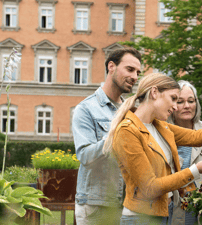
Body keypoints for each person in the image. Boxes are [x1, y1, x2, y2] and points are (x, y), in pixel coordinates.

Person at [102, 73, 202, 224]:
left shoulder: (159, 126)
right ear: (154, 93)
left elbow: (196, 137)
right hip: (141, 218)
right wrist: (195, 170)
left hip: (164, 213)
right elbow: (149, 187)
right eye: (174, 98)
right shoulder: (128, 131)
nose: (175, 106)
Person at [72, 48, 142, 224]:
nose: (135, 76)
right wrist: (116, 133)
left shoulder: (131, 110)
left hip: (127, 205)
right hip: (96, 206)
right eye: (130, 69)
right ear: (111, 66)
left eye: (138, 72)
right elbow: (85, 156)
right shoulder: (86, 109)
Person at [166, 80, 202, 225]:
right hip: (170, 210)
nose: (186, 106)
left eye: (191, 101)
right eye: (180, 101)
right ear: (172, 105)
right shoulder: (161, 134)